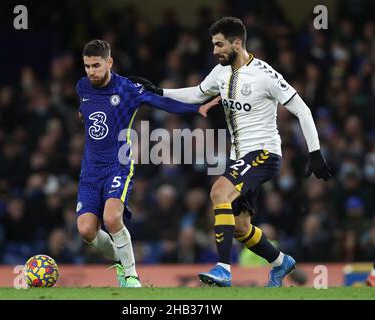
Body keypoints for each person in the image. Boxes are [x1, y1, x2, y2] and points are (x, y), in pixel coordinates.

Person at [130, 17, 332, 287]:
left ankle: (223, 269)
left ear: (238, 43)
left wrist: (315, 152)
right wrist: (159, 91)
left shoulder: (264, 74)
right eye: (213, 45)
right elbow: (196, 94)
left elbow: (302, 109)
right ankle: (280, 262)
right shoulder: (220, 72)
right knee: (240, 227)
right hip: (240, 157)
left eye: (219, 45)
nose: (215, 51)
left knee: (218, 192)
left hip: (263, 153)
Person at [75, 39, 218, 288]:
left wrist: (197, 108)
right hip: (89, 169)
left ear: (109, 62)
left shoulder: (127, 88)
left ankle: (131, 276)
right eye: (87, 66)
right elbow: (85, 112)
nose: (91, 72)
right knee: (86, 230)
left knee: (111, 218)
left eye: (96, 65)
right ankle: (122, 260)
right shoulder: (82, 87)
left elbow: (161, 102)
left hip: (118, 165)